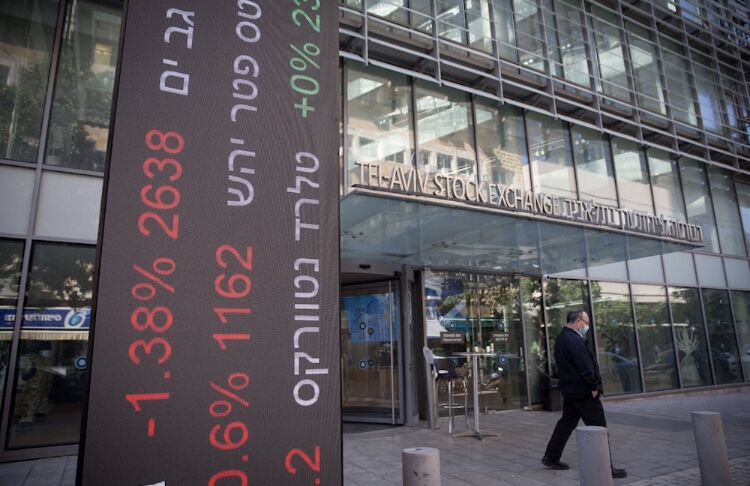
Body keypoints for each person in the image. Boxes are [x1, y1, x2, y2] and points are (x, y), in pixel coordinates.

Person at [541, 310, 627, 479]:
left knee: (566, 424)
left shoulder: (561, 338)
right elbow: (585, 366)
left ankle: (551, 456)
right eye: (586, 323)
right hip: (585, 393)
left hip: (571, 391)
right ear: (578, 321)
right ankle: (606, 467)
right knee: (599, 427)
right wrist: (593, 386)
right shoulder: (574, 340)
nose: (587, 326)